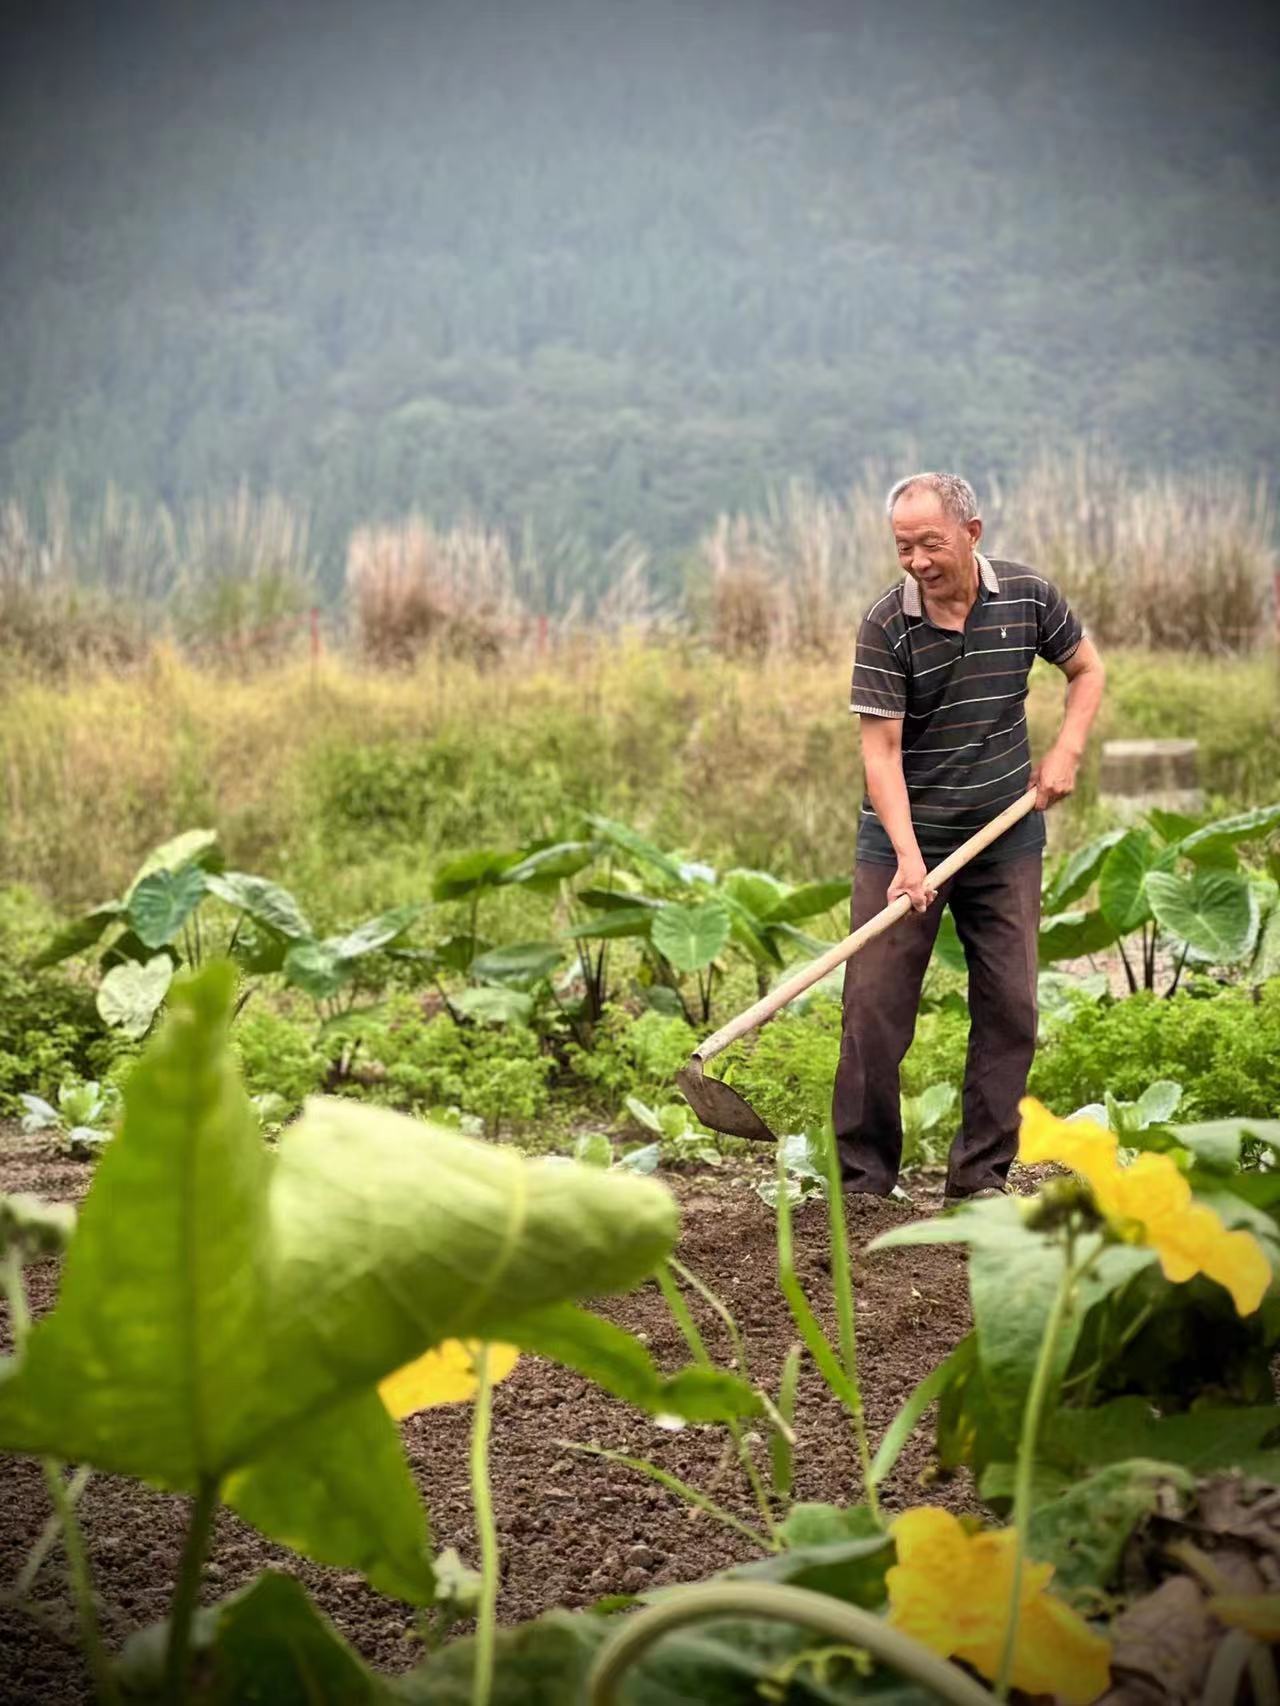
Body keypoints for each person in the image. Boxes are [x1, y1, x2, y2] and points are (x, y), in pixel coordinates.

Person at [833, 471, 1105, 1204]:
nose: (917, 560)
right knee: (873, 1010)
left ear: (972, 534)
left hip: (1003, 833)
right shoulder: (888, 624)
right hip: (903, 836)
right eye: (903, 547)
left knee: (1012, 1004)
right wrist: (910, 861)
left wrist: (1065, 751)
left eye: (930, 543)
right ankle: (862, 1183)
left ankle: (980, 1178)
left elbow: (1086, 669)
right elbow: (880, 754)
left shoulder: (1027, 597)